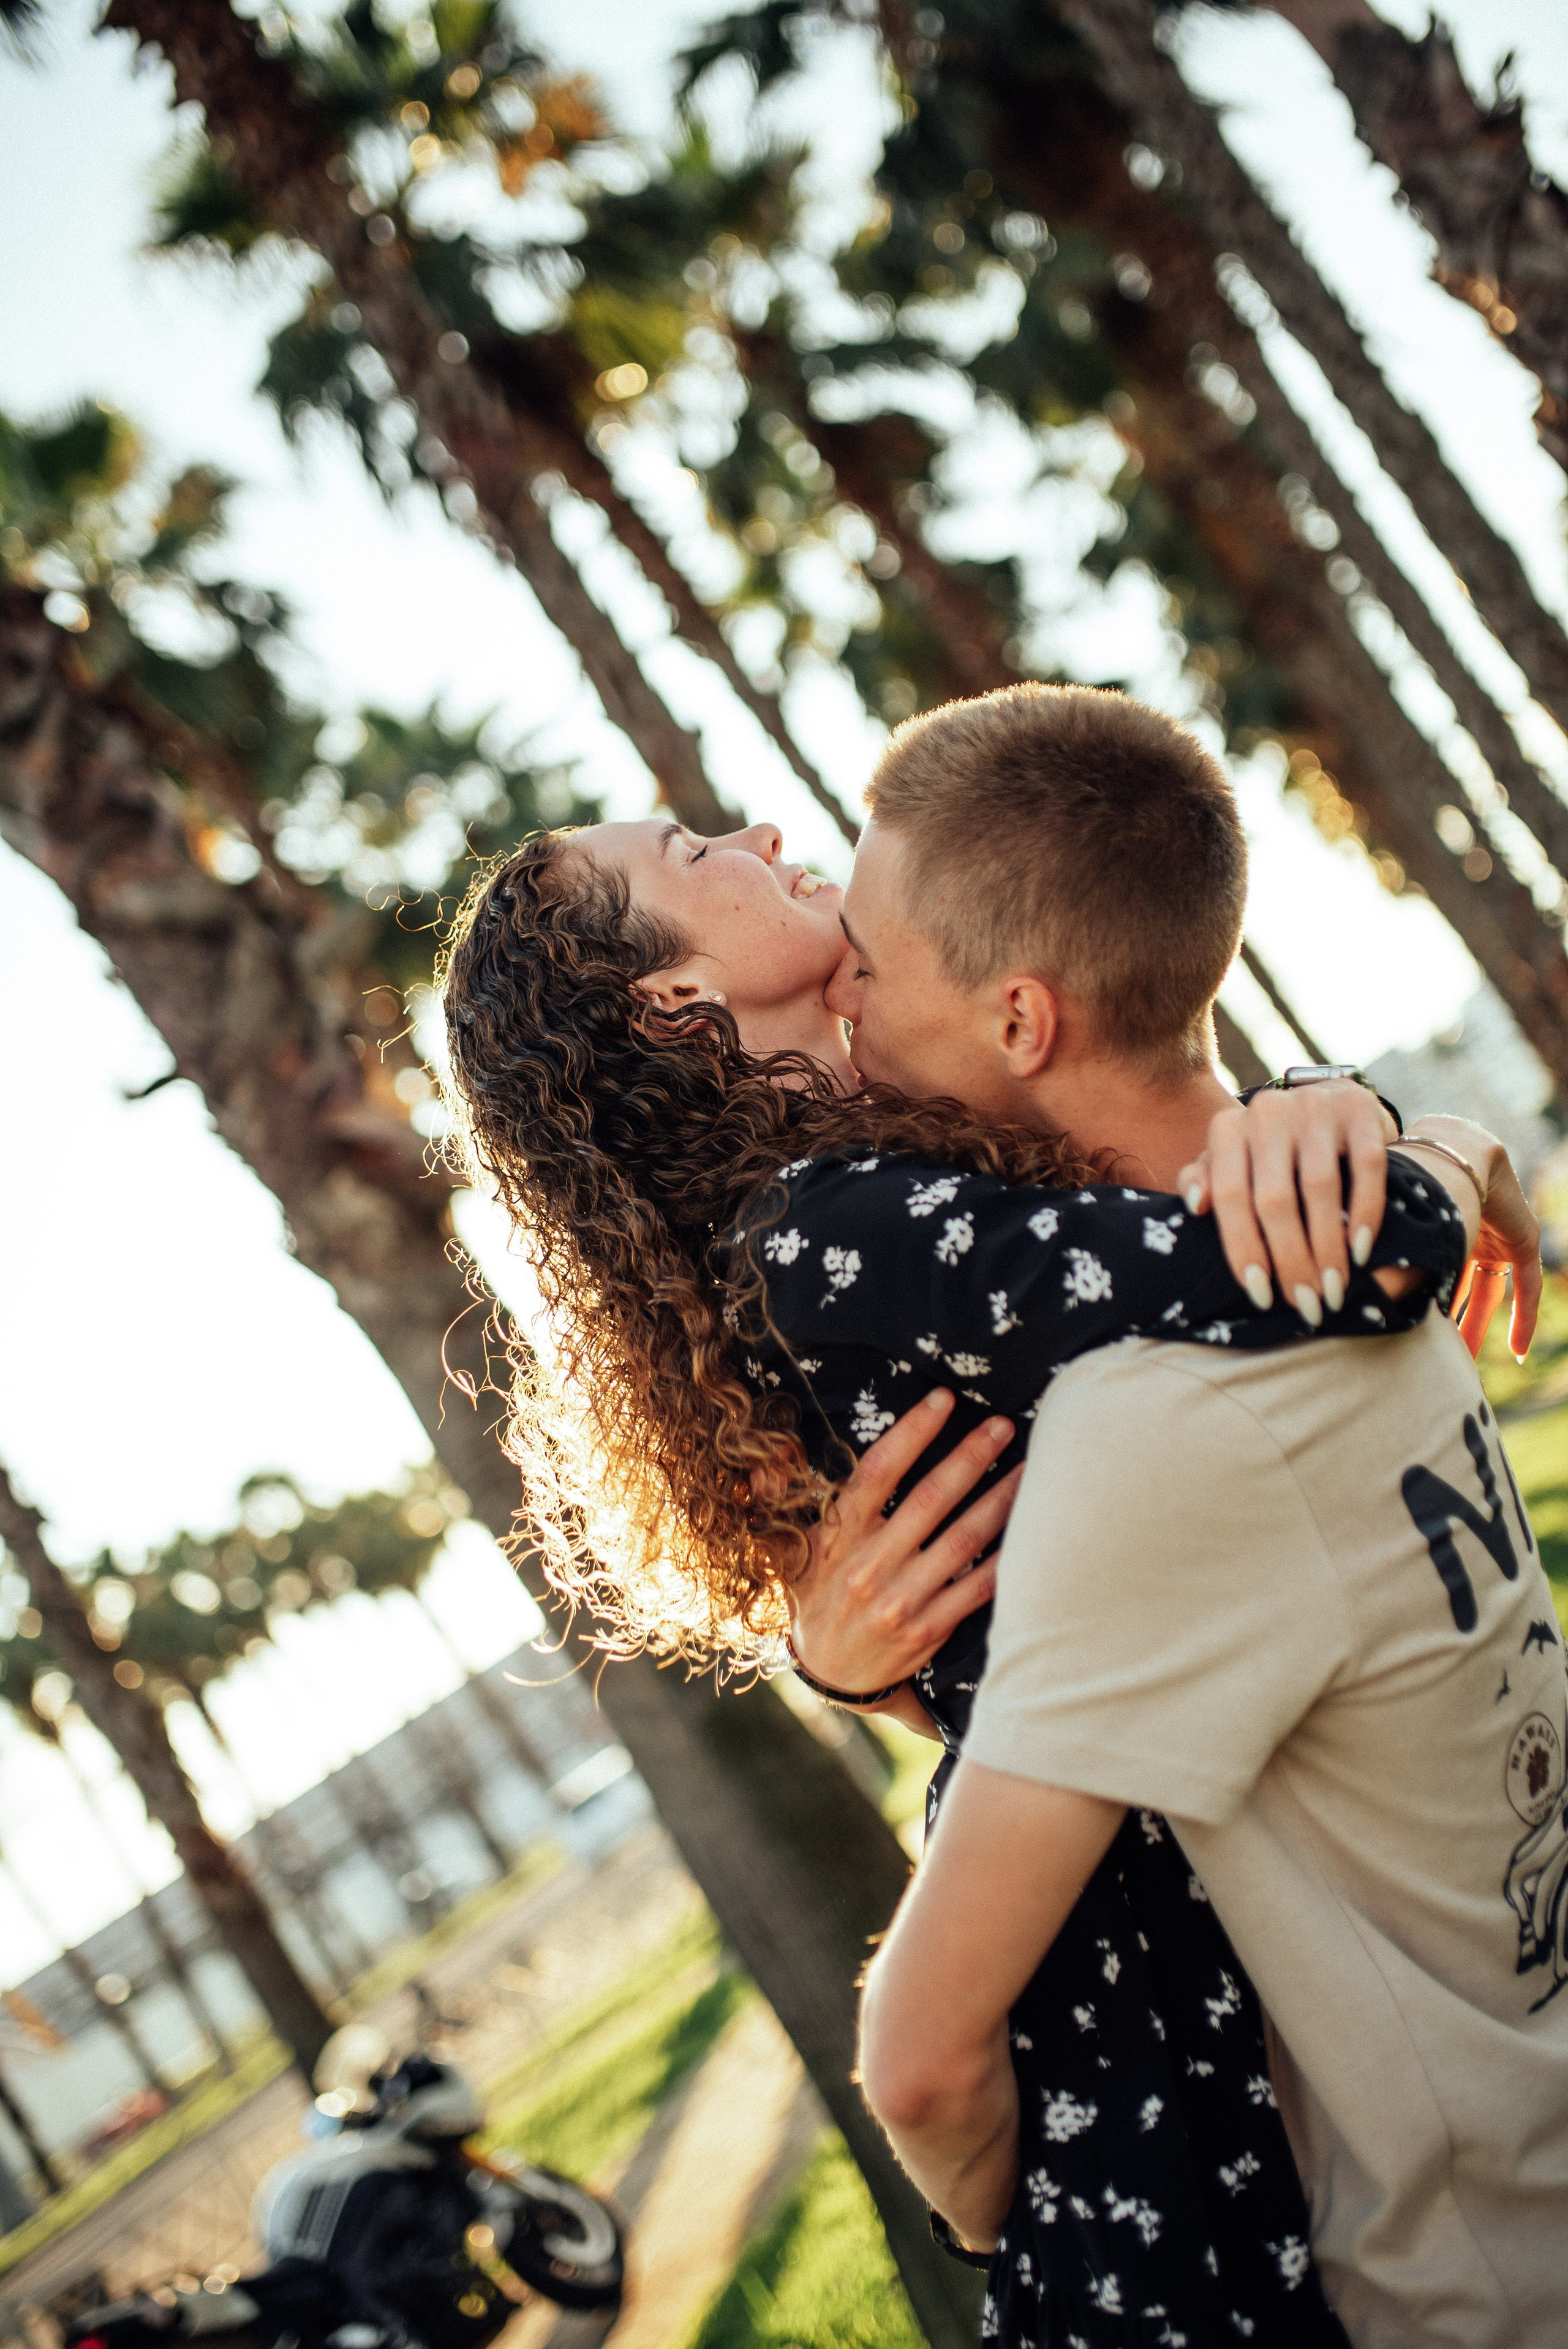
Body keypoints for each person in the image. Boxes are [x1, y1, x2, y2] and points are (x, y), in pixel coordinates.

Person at [437, 682, 1537, 2340]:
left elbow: (1173, 1125)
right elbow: (1299, 1260)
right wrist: (1430, 1155)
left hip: (1171, 1838)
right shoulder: (826, 1226)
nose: (763, 835)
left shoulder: (895, 1167)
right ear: (673, 1003)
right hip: (1110, 1929)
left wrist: (1329, 1093)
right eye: (694, 849)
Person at [829, 695, 1566, 2345]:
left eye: (867, 966)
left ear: (1020, 1016)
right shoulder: (1360, 1237)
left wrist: (1035, 2238)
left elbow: (925, 2057)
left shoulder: (1161, 1420)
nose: (843, 1004)